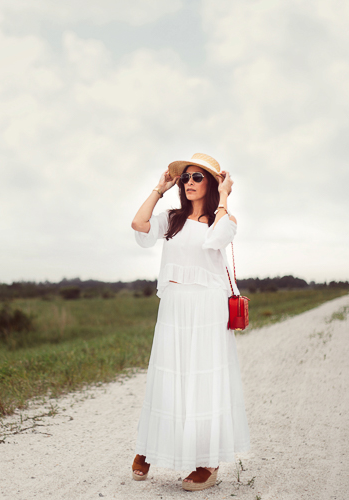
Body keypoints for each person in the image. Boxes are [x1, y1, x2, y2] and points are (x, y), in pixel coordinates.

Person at [129, 153, 250, 491]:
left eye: (198, 177)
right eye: (186, 178)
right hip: (175, 305)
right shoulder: (172, 218)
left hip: (208, 306)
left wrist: (225, 195)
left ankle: (207, 463)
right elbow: (139, 225)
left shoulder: (221, 218)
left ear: (210, 183)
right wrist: (160, 187)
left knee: (203, 381)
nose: (190, 183)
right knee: (168, 375)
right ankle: (149, 447)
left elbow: (218, 238)